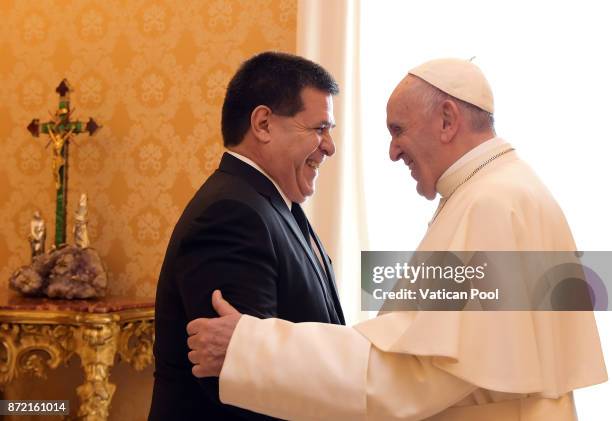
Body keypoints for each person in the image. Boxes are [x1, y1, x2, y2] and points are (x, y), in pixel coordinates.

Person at [185, 58, 608, 420]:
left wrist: (249, 348)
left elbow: (413, 375)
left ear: (446, 119)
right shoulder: (508, 190)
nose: (392, 151)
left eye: (398, 129)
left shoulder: (491, 206)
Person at [149, 52, 345, 421]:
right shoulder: (231, 214)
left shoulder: (272, 203)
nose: (330, 146)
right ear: (264, 124)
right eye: (319, 129)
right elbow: (239, 388)